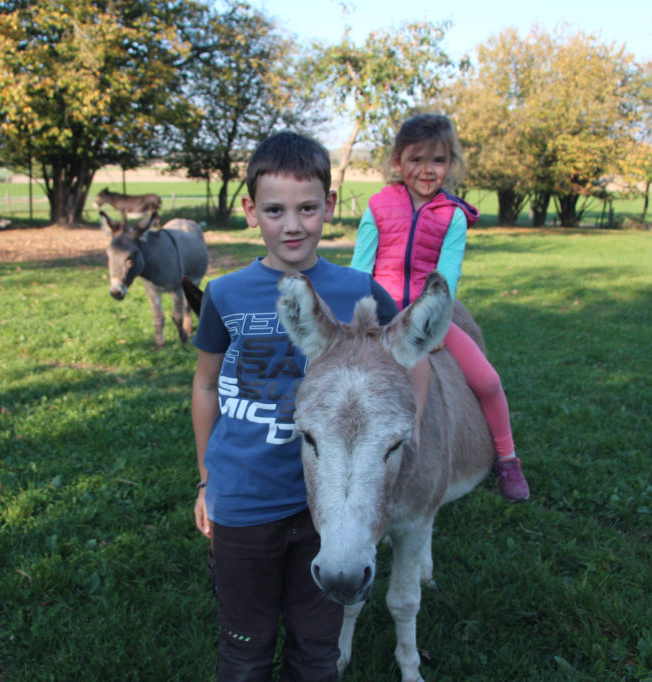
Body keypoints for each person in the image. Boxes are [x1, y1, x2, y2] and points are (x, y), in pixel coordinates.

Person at [191, 131, 399, 681]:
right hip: (242, 501)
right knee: (244, 647)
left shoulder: (360, 289)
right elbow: (206, 386)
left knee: (316, 649)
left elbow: (411, 358)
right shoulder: (225, 294)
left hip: (326, 509)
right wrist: (205, 481)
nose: (292, 225)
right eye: (274, 210)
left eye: (307, 208)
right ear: (249, 211)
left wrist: (410, 426)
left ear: (329, 206)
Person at [350, 113, 530, 502]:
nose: (427, 170)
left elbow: (445, 278)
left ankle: (507, 457)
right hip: (378, 319)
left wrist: (432, 323)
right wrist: (359, 322)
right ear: (398, 161)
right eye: (416, 159)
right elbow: (360, 269)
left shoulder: (453, 216)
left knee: (488, 381)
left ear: (451, 163)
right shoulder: (379, 207)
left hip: (426, 318)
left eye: (438, 160)